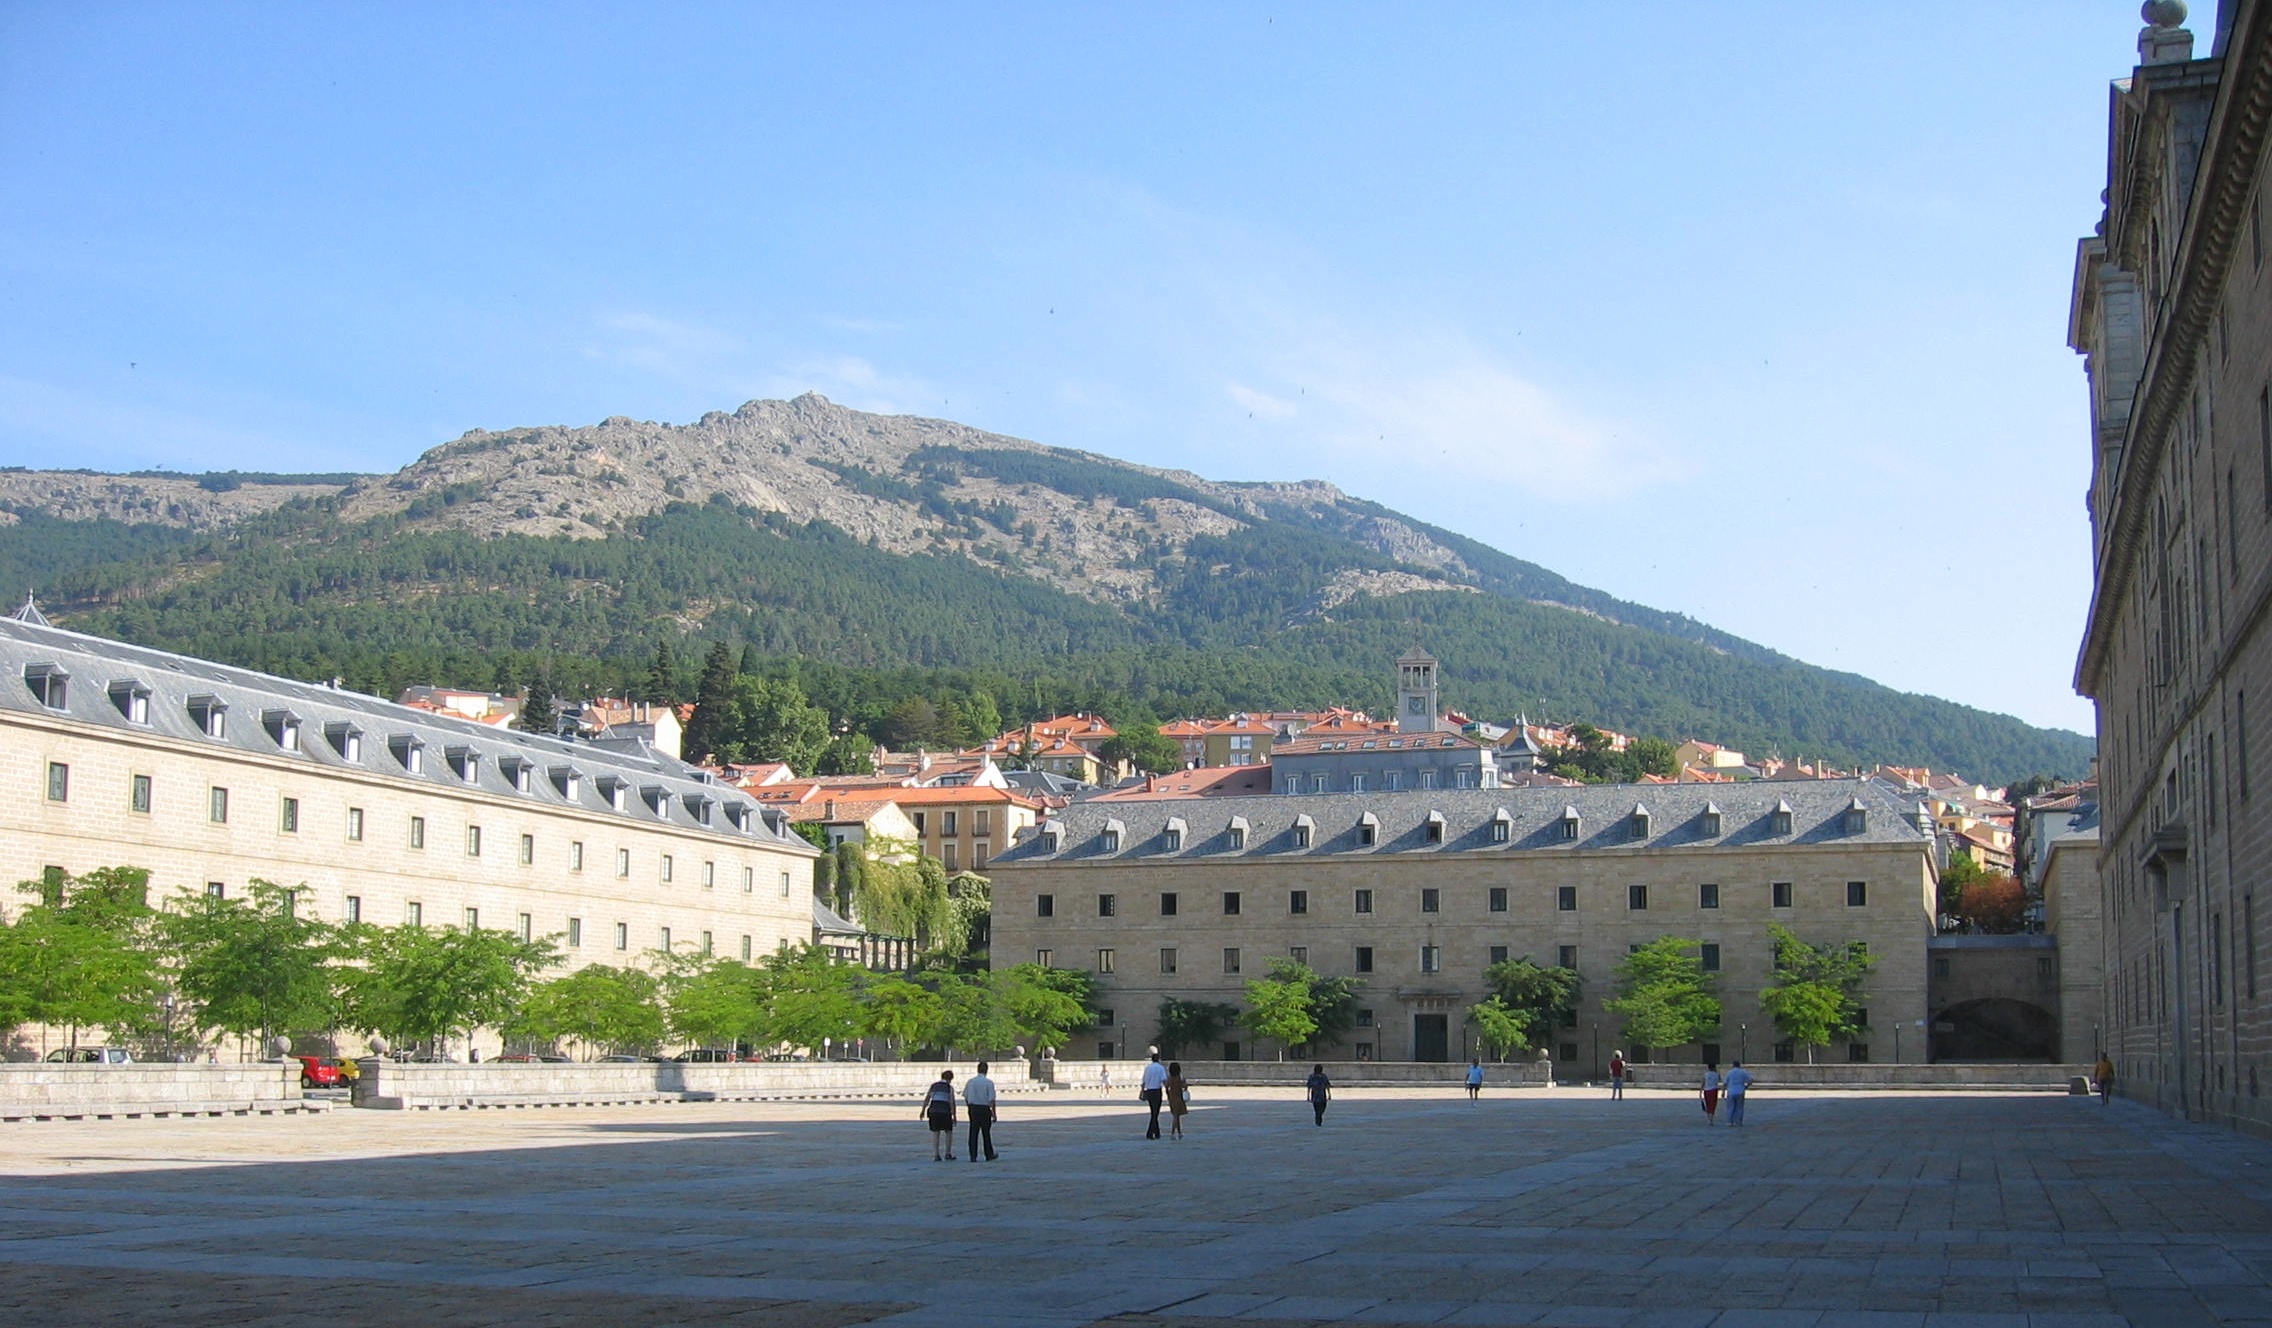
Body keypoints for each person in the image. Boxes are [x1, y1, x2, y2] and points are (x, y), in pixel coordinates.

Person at [964, 1061, 1000, 1162]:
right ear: (987, 1071)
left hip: (973, 1108)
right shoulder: (989, 1083)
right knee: (986, 1133)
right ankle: (989, 1154)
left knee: (973, 1132)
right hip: (984, 1109)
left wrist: (969, 1107)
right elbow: (992, 1100)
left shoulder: (970, 1082)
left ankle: (973, 1155)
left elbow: (966, 1096)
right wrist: (994, 1113)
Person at [921, 1068, 957, 1160]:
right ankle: (948, 1153)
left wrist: (923, 1110)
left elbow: (927, 1098)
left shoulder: (933, 1086)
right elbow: (951, 1102)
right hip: (945, 1111)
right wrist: (954, 1115)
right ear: (950, 1079)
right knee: (948, 1131)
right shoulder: (949, 1088)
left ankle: (936, 1154)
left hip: (933, 1110)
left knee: (935, 1132)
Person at [1140, 1052, 1168, 1139]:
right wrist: (1167, 1090)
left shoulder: (1148, 1068)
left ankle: (1157, 1132)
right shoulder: (1160, 1068)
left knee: (1153, 1111)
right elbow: (1163, 1080)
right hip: (1157, 1090)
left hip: (1149, 1091)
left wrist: (1142, 1091)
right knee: (1155, 1113)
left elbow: (1143, 1081)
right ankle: (1150, 1133)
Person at [1723, 1060, 1753, 1127]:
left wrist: (1723, 1092)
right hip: (1740, 1091)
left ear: (1733, 1065)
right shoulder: (1743, 1072)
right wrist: (1746, 1086)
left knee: (1730, 1107)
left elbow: (1725, 1083)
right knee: (1739, 1107)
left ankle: (1730, 1122)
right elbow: (1751, 1080)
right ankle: (1739, 1122)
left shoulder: (1729, 1073)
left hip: (1731, 1092)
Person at [1165, 1061, 1190, 1139]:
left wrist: (1168, 1095)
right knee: (1176, 1116)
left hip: (1172, 1097)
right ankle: (1173, 1133)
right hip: (1179, 1097)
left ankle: (1179, 1132)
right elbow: (1185, 1086)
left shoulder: (1170, 1077)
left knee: (1176, 1115)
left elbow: (1166, 1086)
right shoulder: (1180, 1077)